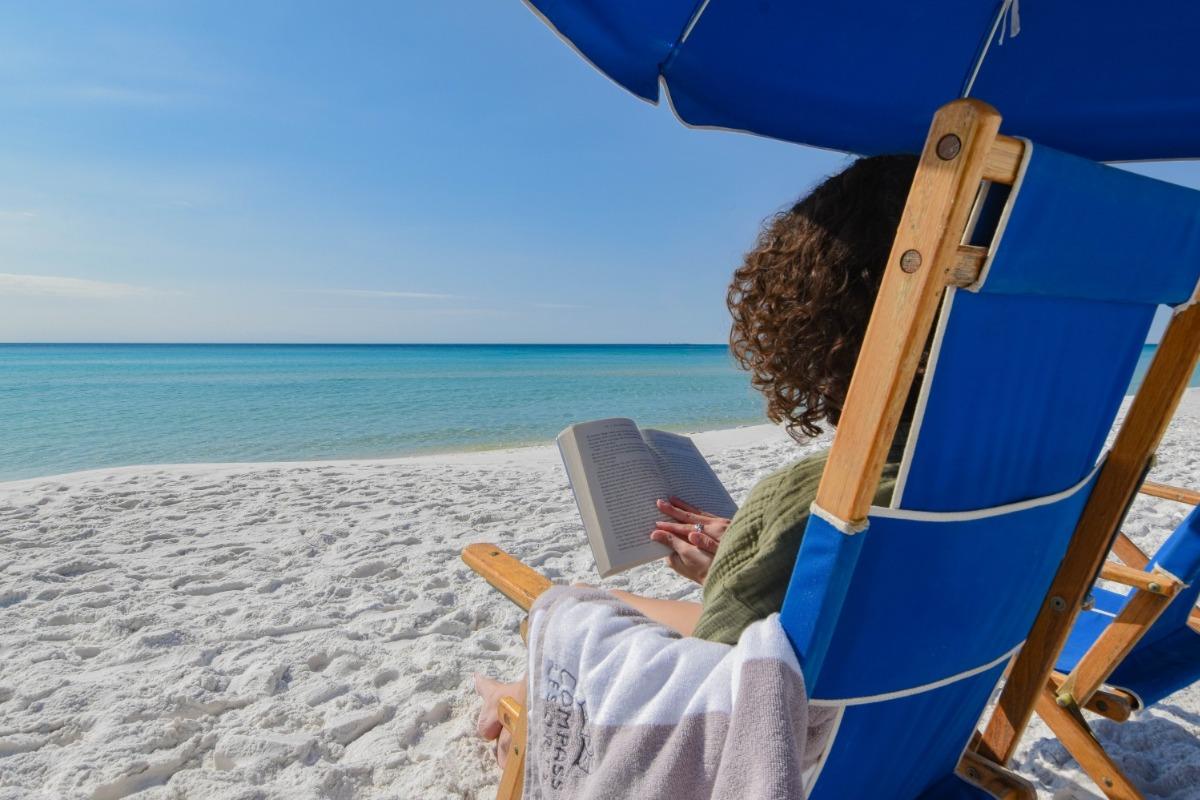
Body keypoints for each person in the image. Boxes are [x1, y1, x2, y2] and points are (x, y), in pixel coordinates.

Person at [474, 153, 921, 765]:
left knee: (558, 614)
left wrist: (742, 561)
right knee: (575, 605)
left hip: (788, 730)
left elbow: (715, 680)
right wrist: (734, 562)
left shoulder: (815, 501)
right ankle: (510, 693)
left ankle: (509, 705)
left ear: (816, 327)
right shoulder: (1013, 474)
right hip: (903, 727)